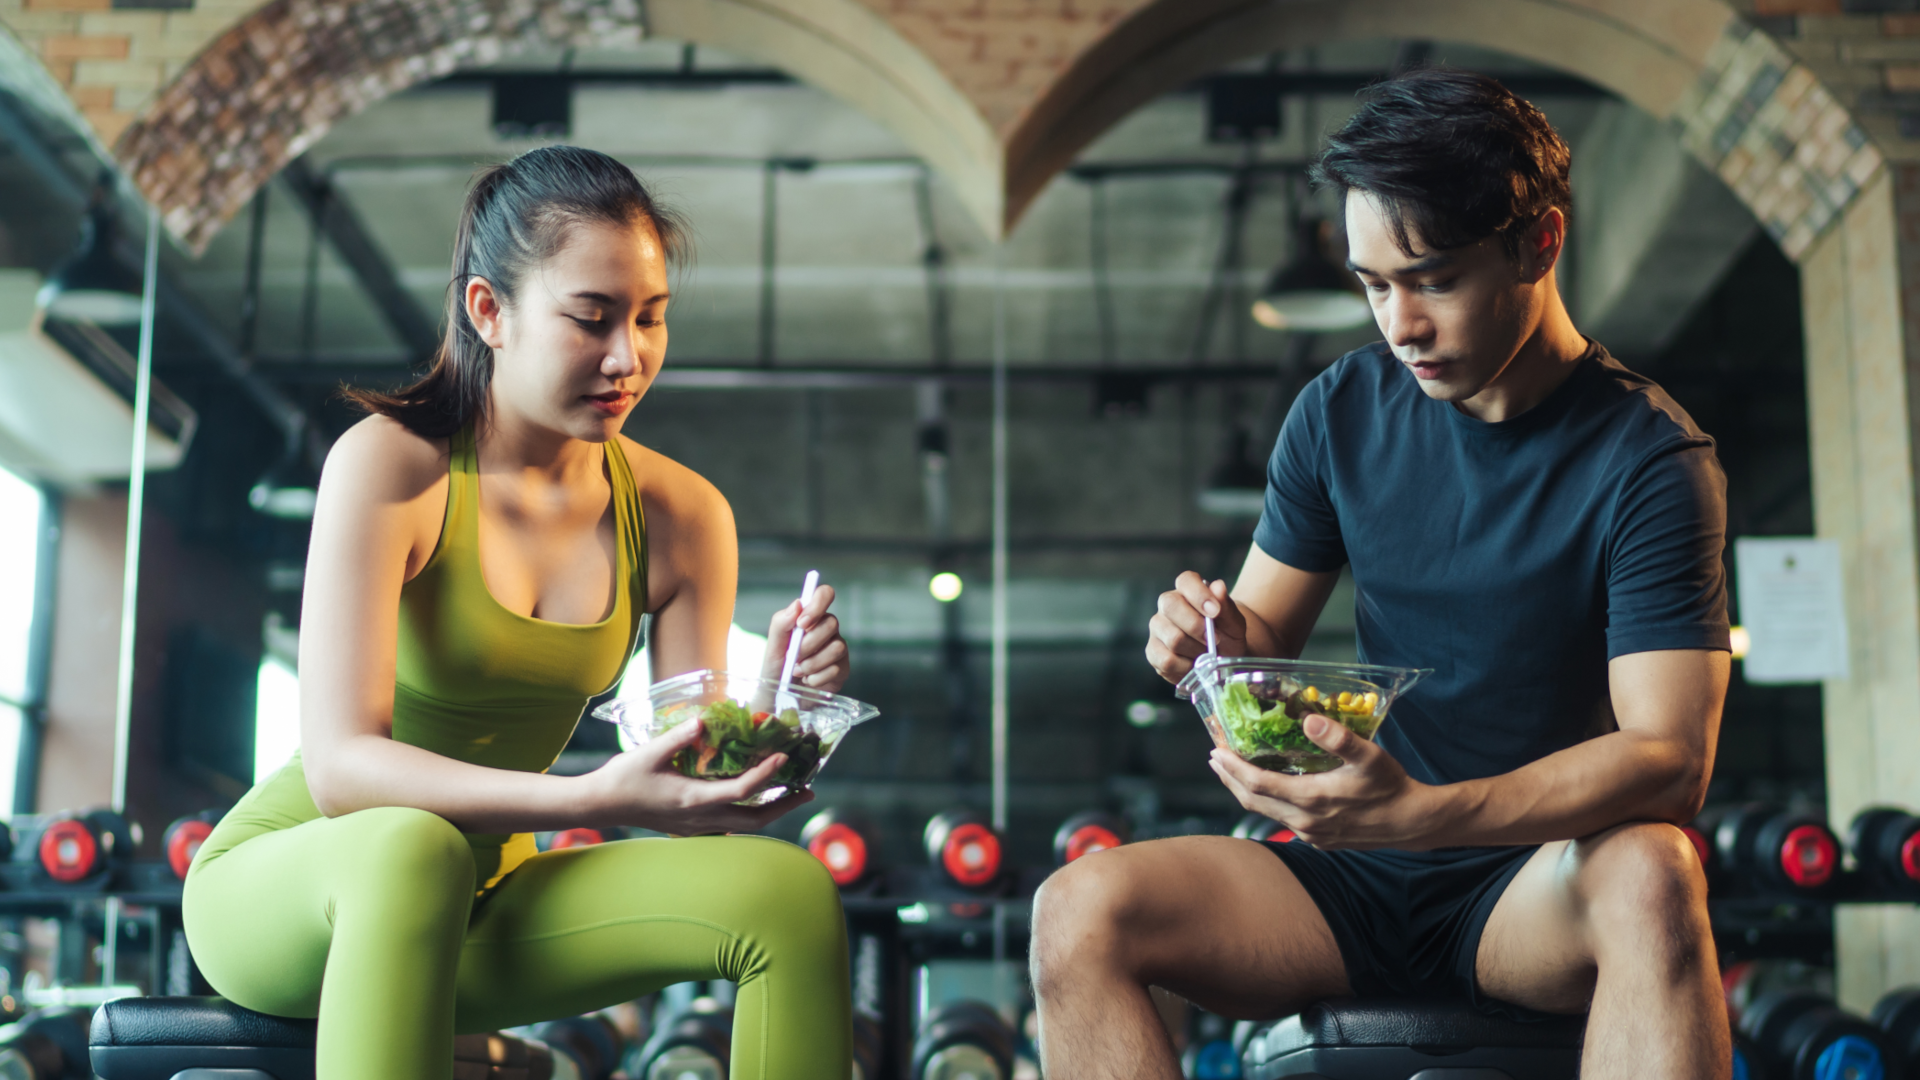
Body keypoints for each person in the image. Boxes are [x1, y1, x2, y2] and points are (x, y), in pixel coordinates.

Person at [1030, 70, 1732, 1080]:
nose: (1399, 325)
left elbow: (1670, 758)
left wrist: (1426, 814)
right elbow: (1257, 642)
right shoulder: (1337, 411)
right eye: (1373, 284)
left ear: (1538, 242)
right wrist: (1207, 647)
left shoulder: (1651, 460)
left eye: (1434, 279)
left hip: (1532, 887)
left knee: (1656, 874)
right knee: (1079, 910)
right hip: (1349, 880)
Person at [183, 146, 854, 1080]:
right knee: (411, 847)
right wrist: (588, 798)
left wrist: (773, 713)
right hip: (302, 888)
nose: (629, 356)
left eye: (651, 318)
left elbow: (696, 792)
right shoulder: (393, 464)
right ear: (488, 312)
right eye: (591, 318)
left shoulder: (684, 516)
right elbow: (342, 771)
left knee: (785, 892)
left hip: (484, 899)